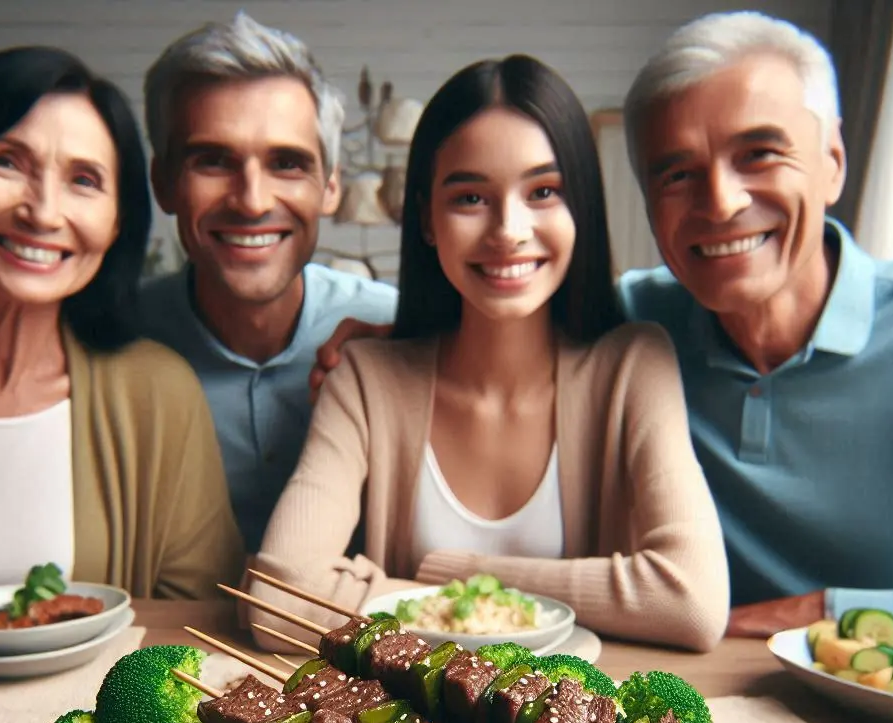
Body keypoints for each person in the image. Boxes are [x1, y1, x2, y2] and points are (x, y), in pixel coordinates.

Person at [250, 55, 730, 652]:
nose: (508, 229)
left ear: (581, 207)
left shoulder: (634, 366)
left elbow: (691, 602)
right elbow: (277, 600)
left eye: (544, 191)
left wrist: (451, 575)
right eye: (471, 197)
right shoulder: (368, 379)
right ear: (426, 218)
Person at [0, 47, 244, 613]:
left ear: (117, 219)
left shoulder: (158, 392)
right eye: (7, 162)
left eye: (84, 180)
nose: (43, 213)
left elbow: (200, 618)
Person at [619, 10, 893, 636]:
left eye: (759, 154)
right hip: (685, 700)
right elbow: (491, 330)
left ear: (833, 163)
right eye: (678, 174)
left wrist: (821, 612)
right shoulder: (631, 322)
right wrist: (393, 334)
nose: (720, 201)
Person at [138, 12, 397, 552]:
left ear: (329, 186)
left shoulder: (399, 333)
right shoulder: (111, 344)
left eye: (286, 163)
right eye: (213, 161)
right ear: (163, 183)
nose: (252, 200)